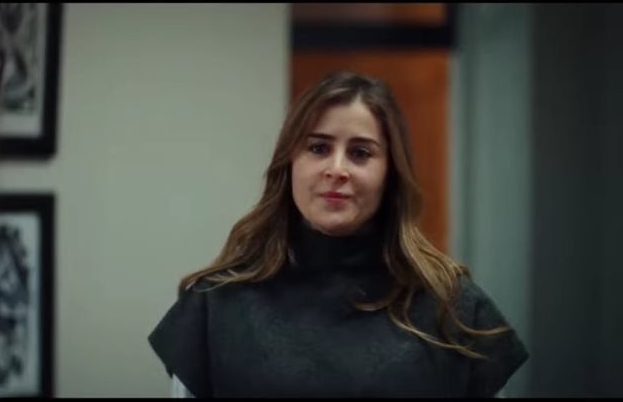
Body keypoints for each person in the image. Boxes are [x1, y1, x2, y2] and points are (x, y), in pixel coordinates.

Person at [148, 71, 528, 398]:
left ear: (390, 173)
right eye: (318, 148)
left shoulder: (452, 307)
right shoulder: (216, 304)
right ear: (290, 163)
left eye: (360, 153)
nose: (336, 169)